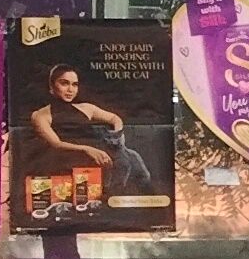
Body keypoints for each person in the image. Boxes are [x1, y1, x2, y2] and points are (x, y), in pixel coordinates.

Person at [16, 61, 151, 199]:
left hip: (97, 150)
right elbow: (56, 144)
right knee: (124, 161)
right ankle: (110, 198)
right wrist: (87, 149)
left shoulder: (86, 108)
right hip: (67, 156)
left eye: (74, 84)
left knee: (134, 158)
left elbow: (114, 118)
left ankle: (148, 200)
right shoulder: (40, 115)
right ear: (52, 86)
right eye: (64, 83)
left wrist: (117, 136)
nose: (70, 89)